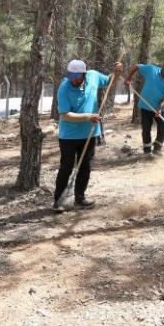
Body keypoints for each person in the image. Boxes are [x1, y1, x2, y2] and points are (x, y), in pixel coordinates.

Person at [53, 59, 123, 212]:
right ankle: (58, 201)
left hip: (89, 134)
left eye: (78, 76)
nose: (75, 79)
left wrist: (116, 73)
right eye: (72, 76)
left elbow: (109, 81)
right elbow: (65, 115)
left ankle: (79, 198)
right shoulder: (64, 88)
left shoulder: (93, 76)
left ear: (84, 74)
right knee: (66, 167)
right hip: (69, 136)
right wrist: (87, 117)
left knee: (85, 167)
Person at [125, 58, 164, 156]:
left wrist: (160, 107)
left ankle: (157, 149)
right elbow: (136, 67)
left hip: (159, 108)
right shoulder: (151, 70)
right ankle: (147, 151)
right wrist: (129, 78)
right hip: (145, 107)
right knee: (146, 128)